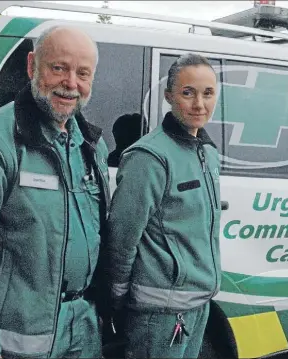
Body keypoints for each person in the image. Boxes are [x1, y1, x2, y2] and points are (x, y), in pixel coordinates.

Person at [0, 25, 110, 359]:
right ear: (32, 66)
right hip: (17, 342)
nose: (71, 83)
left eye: (82, 73)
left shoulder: (92, 147)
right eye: (59, 68)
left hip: (83, 334)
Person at [105, 53, 222, 359]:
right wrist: (117, 297)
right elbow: (123, 236)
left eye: (208, 93)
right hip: (160, 313)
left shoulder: (207, 153)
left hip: (197, 306)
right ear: (169, 96)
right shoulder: (149, 157)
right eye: (188, 93)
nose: (199, 104)